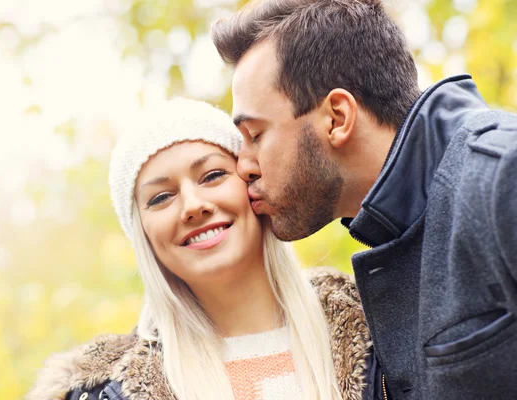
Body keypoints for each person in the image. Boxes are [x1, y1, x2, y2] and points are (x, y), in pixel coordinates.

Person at [211, 0, 517, 399]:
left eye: (256, 135)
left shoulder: (499, 175)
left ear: (337, 118)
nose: (244, 166)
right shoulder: (398, 229)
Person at [26, 98, 381, 400]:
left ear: (252, 185)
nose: (193, 206)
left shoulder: (382, 327)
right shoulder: (99, 389)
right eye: (161, 197)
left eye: (212, 176)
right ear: (143, 234)